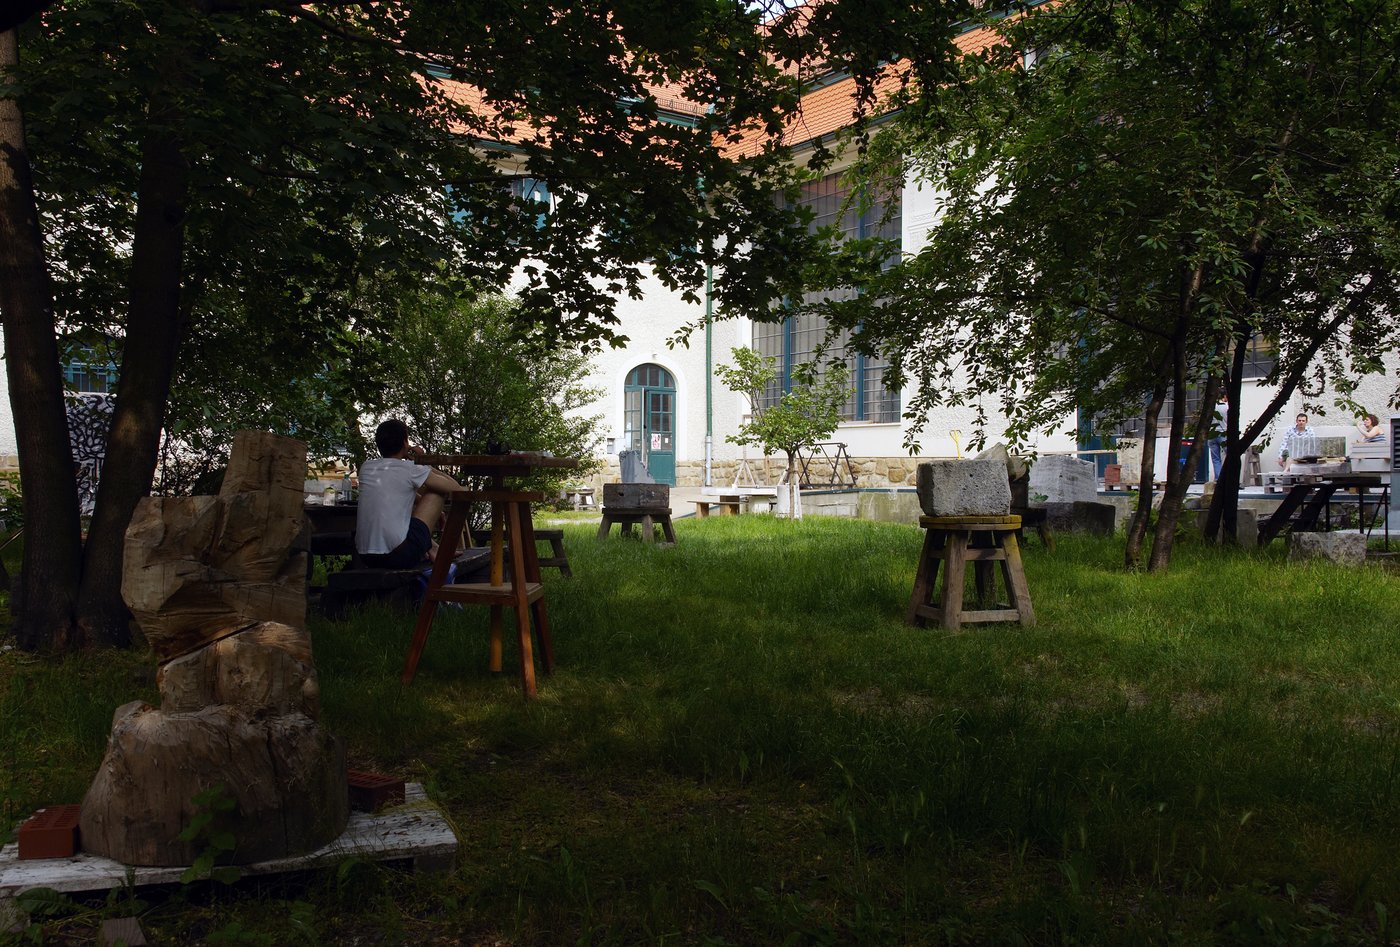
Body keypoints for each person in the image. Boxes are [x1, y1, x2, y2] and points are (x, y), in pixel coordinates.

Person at [356, 419, 460, 568]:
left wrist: (427, 506)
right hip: (398, 556)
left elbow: (399, 497)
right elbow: (455, 488)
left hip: (366, 556)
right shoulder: (411, 469)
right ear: (405, 443)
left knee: (398, 508)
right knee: (436, 493)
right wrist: (423, 462)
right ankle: (436, 549)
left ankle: (433, 548)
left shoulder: (366, 468)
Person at [1209, 391, 1228, 481]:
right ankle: (1229, 478)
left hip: (1212, 434)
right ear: (1224, 396)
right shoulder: (1227, 407)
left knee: (1216, 458)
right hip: (1224, 433)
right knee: (1230, 456)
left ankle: (1218, 479)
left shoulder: (1211, 407)